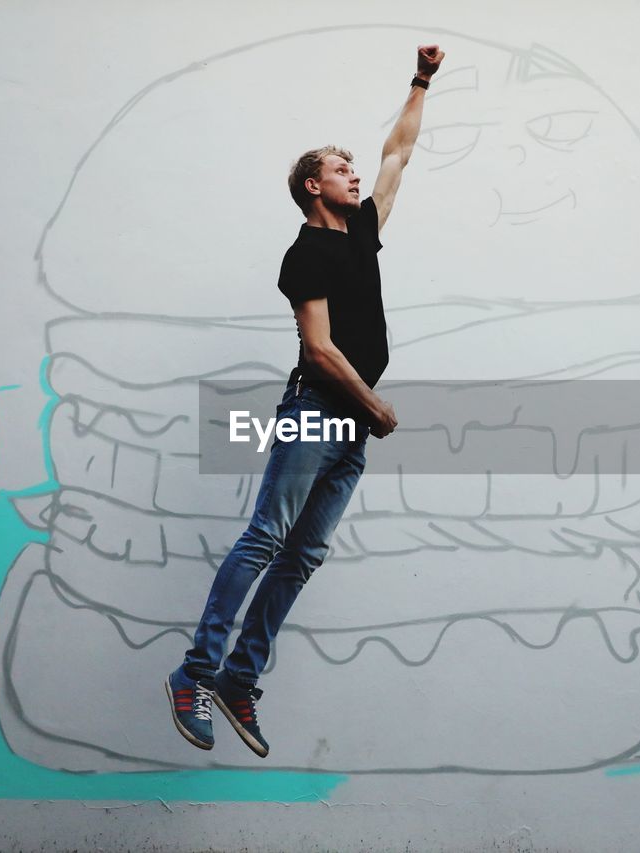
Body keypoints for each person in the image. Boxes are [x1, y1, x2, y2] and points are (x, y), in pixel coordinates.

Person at [166, 44, 445, 757]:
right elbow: (319, 349)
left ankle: (238, 679)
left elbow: (399, 153)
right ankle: (194, 673)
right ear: (313, 187)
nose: (356, 174)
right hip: (318, 412)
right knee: (266, 538)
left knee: (304, 555)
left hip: (348, 433)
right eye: (340, 169)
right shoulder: (306, 254)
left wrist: (420, 80)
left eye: (353, 167)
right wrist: (376, 407)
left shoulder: (362, 235)